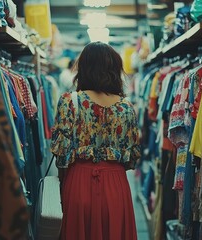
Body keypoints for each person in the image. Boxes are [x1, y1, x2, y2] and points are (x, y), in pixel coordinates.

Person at [51, 42, 141, 240]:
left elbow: (61, 156)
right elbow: (131, 158)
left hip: (78, 181)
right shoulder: (126, 107)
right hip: (116, 184)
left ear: (83, 68)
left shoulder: (70, 101)